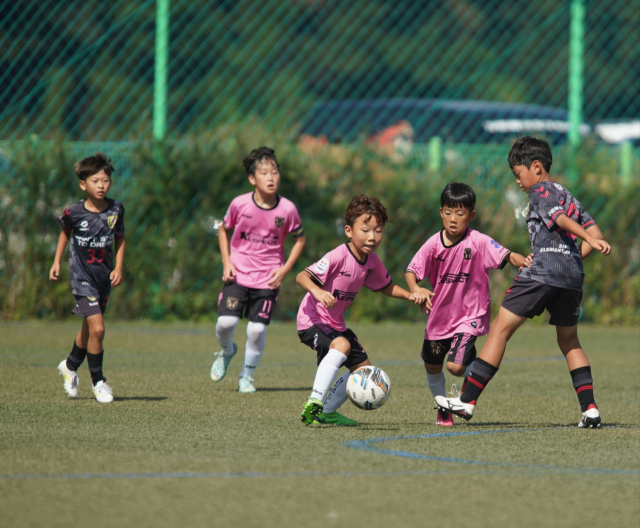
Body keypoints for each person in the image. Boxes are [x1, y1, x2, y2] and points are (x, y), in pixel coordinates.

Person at [435, 137, 611, 428]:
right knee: (570, 341)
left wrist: (586, 239)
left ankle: (466, 401)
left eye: (519, 174)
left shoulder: (540, 190)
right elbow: (596, 229)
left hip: (540, 273)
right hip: (571, 278)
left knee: (500, 330)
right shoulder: (568, 194)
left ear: (537, 167)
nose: (518, 181)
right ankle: (590, 408)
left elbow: (561, 220)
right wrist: (575, 254)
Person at [406, 182, 532, 427]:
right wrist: (415, 289)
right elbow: (412, 271)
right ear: (441, 213)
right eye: (448, 212)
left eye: (460, 213)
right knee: (432, 366)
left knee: (454, 366)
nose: (453, 219)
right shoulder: (433, 244)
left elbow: (507, 255)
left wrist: (522, 260)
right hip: (439, 318)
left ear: (471, 215)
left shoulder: (479, 241)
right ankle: (444, 408)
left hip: (470, 315)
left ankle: (477, 373)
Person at [297, 195, 426, 426]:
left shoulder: (372, 262)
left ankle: (326, 412)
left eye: (378, 230)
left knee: (364, 371)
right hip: (311, 319)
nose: (372, 237)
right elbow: (302, 276)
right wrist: (317, 291)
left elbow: (387, 287)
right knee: (343, 345)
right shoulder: (338, 256)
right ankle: (314, 401)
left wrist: (411, 295)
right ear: (349, 230)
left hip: (335, 324)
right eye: (365, 230)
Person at [211, 146, 305, 393]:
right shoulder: (240, 204)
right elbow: (223, 228)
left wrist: (284, 270)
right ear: (252, 178)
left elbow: (300, 240)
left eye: (275, 172)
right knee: (225, 324)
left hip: (268, 279)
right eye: (264, 173)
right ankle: (227, 351)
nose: (271, 178)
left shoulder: (287, 209)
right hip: (239, 275)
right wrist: (227, 262)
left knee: (257, 328)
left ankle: (247, 377)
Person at [49, 153, 125, 403]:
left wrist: (118, 268)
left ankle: (69, 366)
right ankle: (98, 381)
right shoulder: (74, 212)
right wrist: (56, 261)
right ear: (83, 184)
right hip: (82, 279)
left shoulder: (116, 209)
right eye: (95, 181)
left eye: (105, 180)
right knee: (98, 328)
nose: (101, 185)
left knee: (88, 328)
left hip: (103, 278)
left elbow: (120, 239)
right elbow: (65, 233)